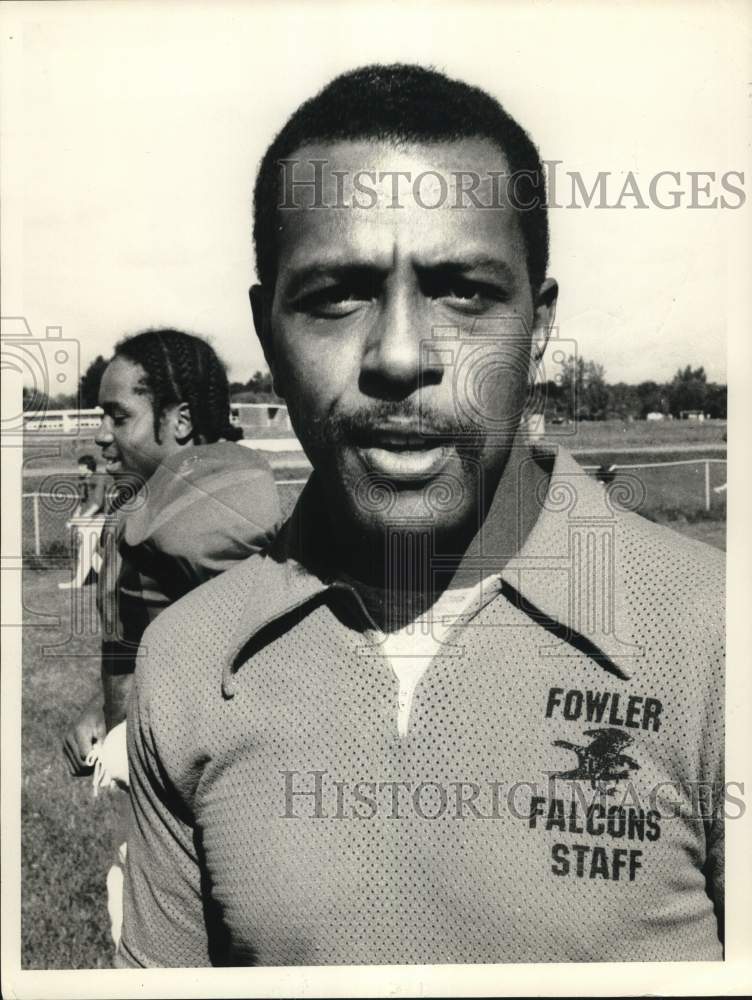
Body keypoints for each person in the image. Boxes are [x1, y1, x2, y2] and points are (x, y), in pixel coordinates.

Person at [118, 66, 725, 967]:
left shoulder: (717, 640)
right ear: (267, 333)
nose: (400, 354)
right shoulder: (186, 666)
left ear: (540, 323)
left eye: (464, 291)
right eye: (335, 296)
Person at [62, 327, 282, 946]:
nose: (102, 433)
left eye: (118, 416)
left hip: (206, 794)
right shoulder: (157, 496)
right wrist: (107, 708)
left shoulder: (208, 495)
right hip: (159, 776)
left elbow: (266, 644)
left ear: (179, 421)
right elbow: (155, 628)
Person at [58, 454, 108, 590]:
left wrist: (82, 519)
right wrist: (75, 517)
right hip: (86, 519)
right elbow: (82, 503)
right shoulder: (83, 480)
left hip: (96, 519)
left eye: (81, 466)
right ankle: (109, 577)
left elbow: (97, 504)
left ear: (88, 467)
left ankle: (77, 583)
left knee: (86, 551)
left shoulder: (99, 478)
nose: (79, 469)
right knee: (85, 552)